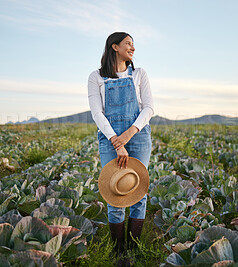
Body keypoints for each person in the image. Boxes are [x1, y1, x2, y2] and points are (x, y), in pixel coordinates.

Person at [88, 32, 154, 263]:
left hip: (138, 136)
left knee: (138, 193)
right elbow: (97, 113)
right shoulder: (96, 77)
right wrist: (116, 141)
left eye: (133, 44)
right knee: (115, 194)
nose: (132, 47)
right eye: (128, 43)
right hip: (109, 139)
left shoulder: (140, 74)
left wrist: (127, 135)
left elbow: (148, 109)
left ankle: (133, 250)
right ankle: (118, 251)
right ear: (114, 47)